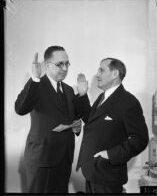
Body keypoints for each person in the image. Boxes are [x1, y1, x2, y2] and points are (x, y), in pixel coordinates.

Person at [15, 46, 89, 193]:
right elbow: (20, 108)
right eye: (60, 64)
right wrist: (35, 78)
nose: (65, 68)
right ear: (47, 66)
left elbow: (79, 117)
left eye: (67, 64)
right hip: (42, 158)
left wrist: (82, 95)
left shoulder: (68, 89)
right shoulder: (37, 84)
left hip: (64, 157)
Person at [76, 57, 149, 193]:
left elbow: (140, 139)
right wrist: (82, 95)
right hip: (91, 172)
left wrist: (110, 154)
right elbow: (91, 121)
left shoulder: (129, 102)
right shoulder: (101, 97)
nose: (97, 74)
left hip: (107, 176)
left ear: (115, 74)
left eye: (101, 70)